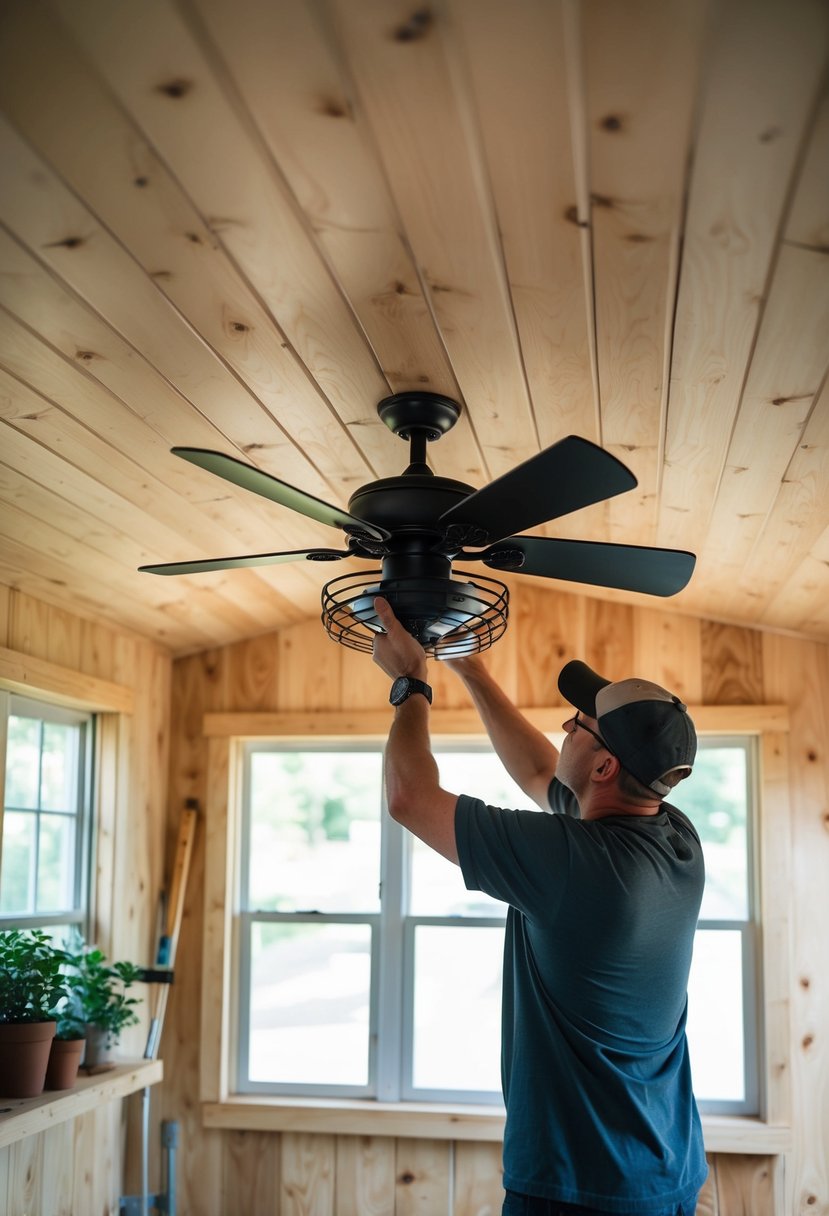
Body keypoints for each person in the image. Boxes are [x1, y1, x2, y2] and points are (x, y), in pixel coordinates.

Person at [372, 596, 707, 1216]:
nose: (565, 726)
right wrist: (470, 668)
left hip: (580, 1186)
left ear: (606, 765)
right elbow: (537, 772)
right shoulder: (675, 836)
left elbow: (409, 798)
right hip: (665, 1169)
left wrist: (410, 685)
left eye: (578, 723)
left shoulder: (574, 866)